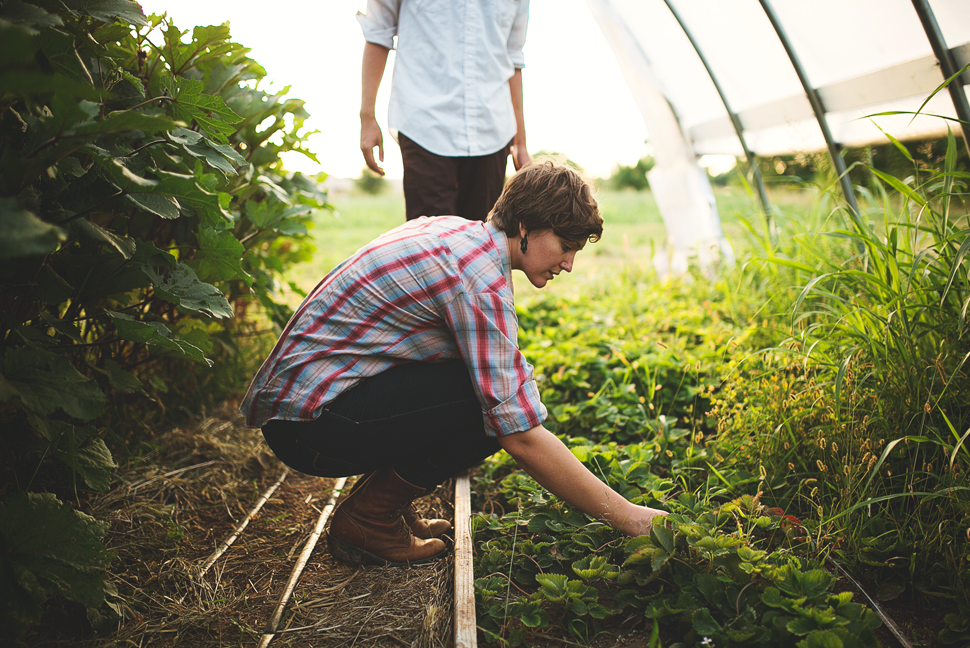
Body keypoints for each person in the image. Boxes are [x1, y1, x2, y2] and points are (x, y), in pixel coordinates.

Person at [241, 162, 668, 566]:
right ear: (525, 228)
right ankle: (368, 519)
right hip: (311, 428)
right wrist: (628, 516)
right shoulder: (477, 281)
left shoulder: (456, 233)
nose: (569, 264)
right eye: (565, 246)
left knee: (484, 385)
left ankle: (383, 506)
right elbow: (520, 433)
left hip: (306, 412)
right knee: (490, 409)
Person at [357, 0, 533, 221]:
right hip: (424, 125)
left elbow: (513, 56)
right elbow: (379, 31)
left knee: (485, 245)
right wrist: (367, 116)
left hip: (492, 129)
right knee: (430, 248)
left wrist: (520, 141)